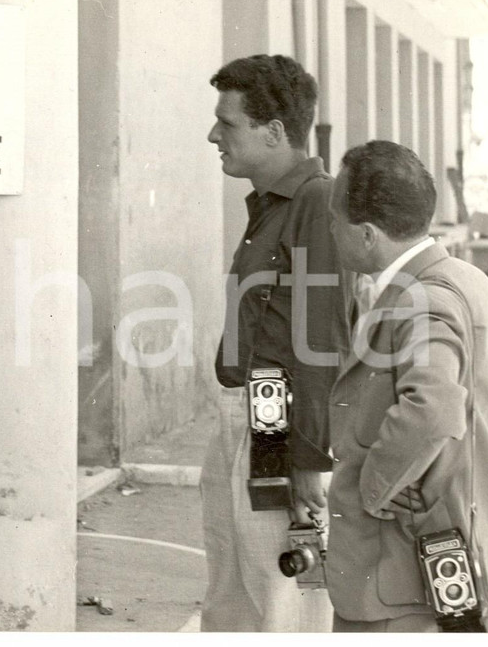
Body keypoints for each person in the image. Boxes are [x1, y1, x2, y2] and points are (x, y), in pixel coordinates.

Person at [325, 140, 488, 632]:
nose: (329, 228)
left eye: (335, 218)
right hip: (456, 558)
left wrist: (374, 485)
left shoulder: (420, 300)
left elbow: (434, 409)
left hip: (400, 582)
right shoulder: (467, 278)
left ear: (369, 234)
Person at [200, 54, 348, 632]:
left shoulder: (315, 201)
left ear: (275, 132)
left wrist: (309, 460)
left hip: (279, 427)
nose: (215, 134)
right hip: (248, 419)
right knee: (233, 595)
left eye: (228, 123)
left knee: (288, 600)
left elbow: (322, 340)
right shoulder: (269, 205)